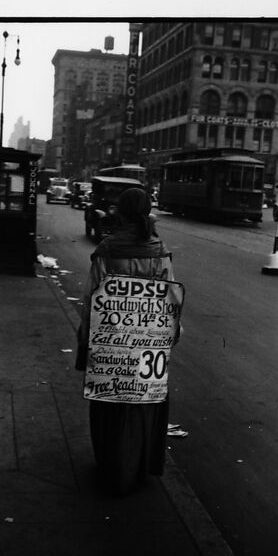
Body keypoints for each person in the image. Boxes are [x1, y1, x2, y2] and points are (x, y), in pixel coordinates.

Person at [76, 187, 180, 496]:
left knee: (108, 403)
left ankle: (112, 466)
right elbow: (171, 298)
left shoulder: (108, 250)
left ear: (119, 213)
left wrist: (85, 337)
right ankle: (137, 467)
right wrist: (172, 333)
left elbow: (91, 299)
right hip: (148, 344)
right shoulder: (159, 250)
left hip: (110, 343)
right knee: (143, 404)